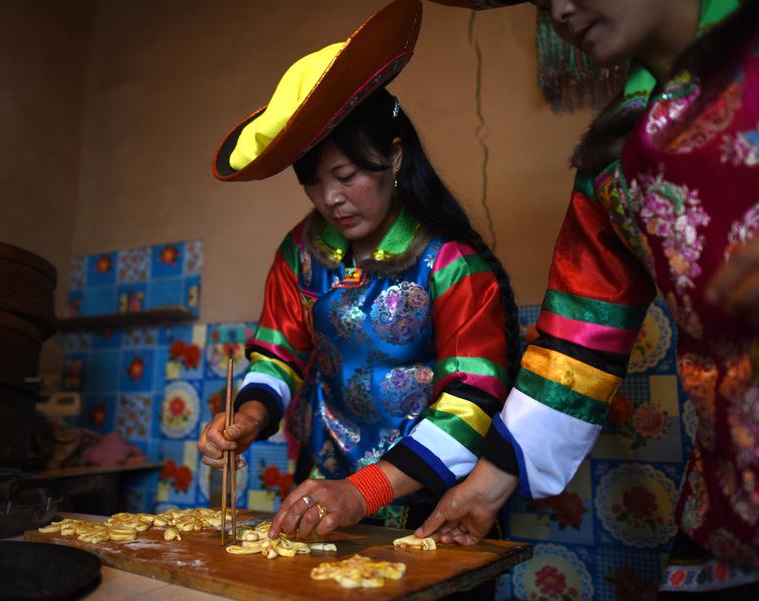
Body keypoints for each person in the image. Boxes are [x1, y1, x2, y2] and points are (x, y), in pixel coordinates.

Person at [419, 0, 759, 596]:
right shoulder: (615, 159)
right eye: (540, 2)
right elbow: (578, 341)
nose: (559, 10)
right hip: (730, 523)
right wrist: (490, 480)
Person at [202, 0, 521, 543]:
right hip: (325, 485)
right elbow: (279, 353)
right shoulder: (301, 253)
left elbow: (473, 402)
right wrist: (251, 415)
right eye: (314, 183)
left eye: (346, 175)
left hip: (435, 500)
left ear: (394, 156)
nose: (330, 199)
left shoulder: (452, 264)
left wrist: (365, 490)